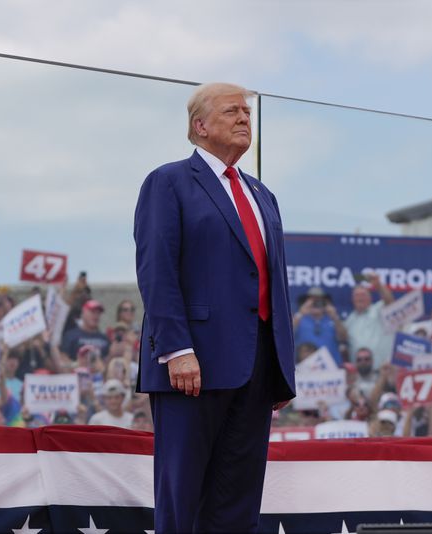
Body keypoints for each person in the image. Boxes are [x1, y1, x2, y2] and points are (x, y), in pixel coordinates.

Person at [134, 82, 295, 533]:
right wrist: (176, 348)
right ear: (199, 126)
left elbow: (274, 284)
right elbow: (156, 269)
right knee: (183, 494)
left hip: (257, 367)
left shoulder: (263, 195)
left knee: (239, 499)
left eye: (247, 112)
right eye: (231, 112)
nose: (245, 119)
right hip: (192, 364)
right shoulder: (168, 182)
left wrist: (282, 365)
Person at [345, 272, 395, 369]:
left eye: (363, 294)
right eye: (357, 295)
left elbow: (390, 302)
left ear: (370, 297)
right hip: (361, 374)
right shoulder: (349, 321)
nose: (360, 298)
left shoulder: (378, 309)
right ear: (352, 299)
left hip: (384, 370)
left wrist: (378, 285)